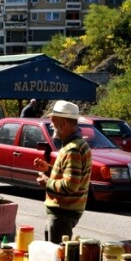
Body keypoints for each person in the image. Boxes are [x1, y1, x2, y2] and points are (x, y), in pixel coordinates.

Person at [33, 100, 91, 243]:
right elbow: (70, 176)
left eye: (53, 121)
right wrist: (48, 170)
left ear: (63, 123)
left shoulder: (73, 149)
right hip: (62, 213)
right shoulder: (75, 146)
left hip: (63, 213)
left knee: (56, 257)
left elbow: (70, 186)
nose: (51, 124)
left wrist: (47, 182)